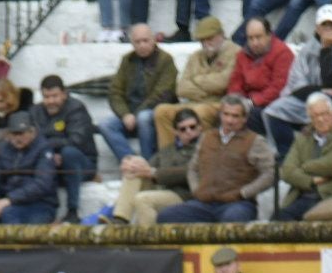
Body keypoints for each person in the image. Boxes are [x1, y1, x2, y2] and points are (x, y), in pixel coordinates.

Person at [262, 4, 332, 159]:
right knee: (272, 111)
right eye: (324, 25)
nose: (328, 29)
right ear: (317, 28)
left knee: (322, 110)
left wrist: (326, 49)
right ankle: (286, 156)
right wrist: (319, 91)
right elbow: (296, 81)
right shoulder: (309, 47)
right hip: (308, 97)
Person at [155, 94, 274, 223]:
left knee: (232, 218)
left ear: (244, 118)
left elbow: (270, 173)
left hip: (237, 204)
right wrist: (196, 190)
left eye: (235, 116)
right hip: (203, 203)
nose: (230, 120)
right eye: (226, 114)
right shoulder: (206, 137)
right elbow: (193, 169)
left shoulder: (255, 141)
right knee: (166, 216)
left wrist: (244, 193)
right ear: (220, 115)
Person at [153, 17, 239, 149]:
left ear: (221, 35)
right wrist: (207, 89)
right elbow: (181, 88)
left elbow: (223, 83)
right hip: (195, 103)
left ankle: (200, 156)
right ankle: (169, 156)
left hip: (219, 104)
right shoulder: (195, 56)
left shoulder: (235, 52)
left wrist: (196, 80)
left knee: (199, 112)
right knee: (161, 111)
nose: (206, 43)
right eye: (202, 40)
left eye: (209, 38)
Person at [110, 107, 202, 225]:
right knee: (134, 168)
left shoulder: (204, 146)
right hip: (164, 190)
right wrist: (131, 163)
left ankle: (150, 241)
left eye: (192, 127)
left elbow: (188, 172)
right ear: (176, 132)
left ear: (200, 127)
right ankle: (120, 218)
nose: (188, 131)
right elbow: (148, 166)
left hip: (185, 194)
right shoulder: (168, 149)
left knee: (143, 199)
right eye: (183, 129)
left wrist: (153, 173)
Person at [99, 25, 177, 162]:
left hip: (154, 113)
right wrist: (125, 114)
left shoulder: (165, 60)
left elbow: (162, 94)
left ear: (153, 40)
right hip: (129, 114)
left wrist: (134, 115)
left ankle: (149, 162)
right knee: (105, 125)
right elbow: (115, 91)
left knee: (143, 117)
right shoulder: (127, 60)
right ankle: (133, 162)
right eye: (137, 42)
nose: (142, 45)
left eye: (145, 41)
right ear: (132, 43)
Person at [275, 93, 332, 220]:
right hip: (300, 194)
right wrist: (311, 181)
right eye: (315, 116)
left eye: (324, 113)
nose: (320, 119)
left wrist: (302, 167)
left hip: (328, 195)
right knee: (274, 223)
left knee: (284, 221)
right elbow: (286, 170)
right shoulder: (303, 137)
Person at [30, 75, 96, 221]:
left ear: (64, 94)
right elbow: (32, 140)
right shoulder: (35, 112)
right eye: (46, 97)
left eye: (55, 96)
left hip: (83, 164)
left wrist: (51, 149)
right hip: (50, 162)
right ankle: (43, 213)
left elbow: (76, 140)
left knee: (68, 153)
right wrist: (50, 153)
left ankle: (72, 211)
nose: (51, 101)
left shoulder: (76, 108)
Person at [0, 110, 57, 224]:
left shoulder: (43, 149)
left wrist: (10, 199)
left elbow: (42, 184)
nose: (17, 138)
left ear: (32, 132)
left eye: (21, 133)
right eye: (14, 134)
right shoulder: (3, 149)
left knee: (9, 213)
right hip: (8, 201)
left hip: (40, 204)